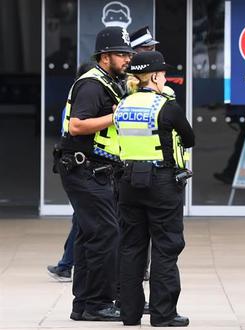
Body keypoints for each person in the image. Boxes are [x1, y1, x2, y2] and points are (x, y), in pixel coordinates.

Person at [56, 26, 135, 321]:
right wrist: (116, 116)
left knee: (91, 235)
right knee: (105, 233)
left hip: (96, 171)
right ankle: (98, 304)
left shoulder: (109, 82)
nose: (126, 59)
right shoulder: (92, 85)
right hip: (83, 170)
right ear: (104, 56)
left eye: (128, 53)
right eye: (121, 54)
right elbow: (76, 125)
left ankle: (83, 306)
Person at [114, 51, 194, 327]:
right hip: (161, 182)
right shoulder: (166, 106)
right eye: (163, 74)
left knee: (131, 247)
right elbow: (189, 138)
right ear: (157, 76)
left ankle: (130, 313)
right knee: (165, 246)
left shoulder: (122, 104)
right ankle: (163, 314)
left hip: (128, 180)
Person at [47, 62, 96, 283]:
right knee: (82, 219)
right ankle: (66, 265)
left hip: (80, 168)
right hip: (83, 167)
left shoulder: (73, 100)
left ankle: (66, 265)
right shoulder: (81, 102)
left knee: (80, 218)